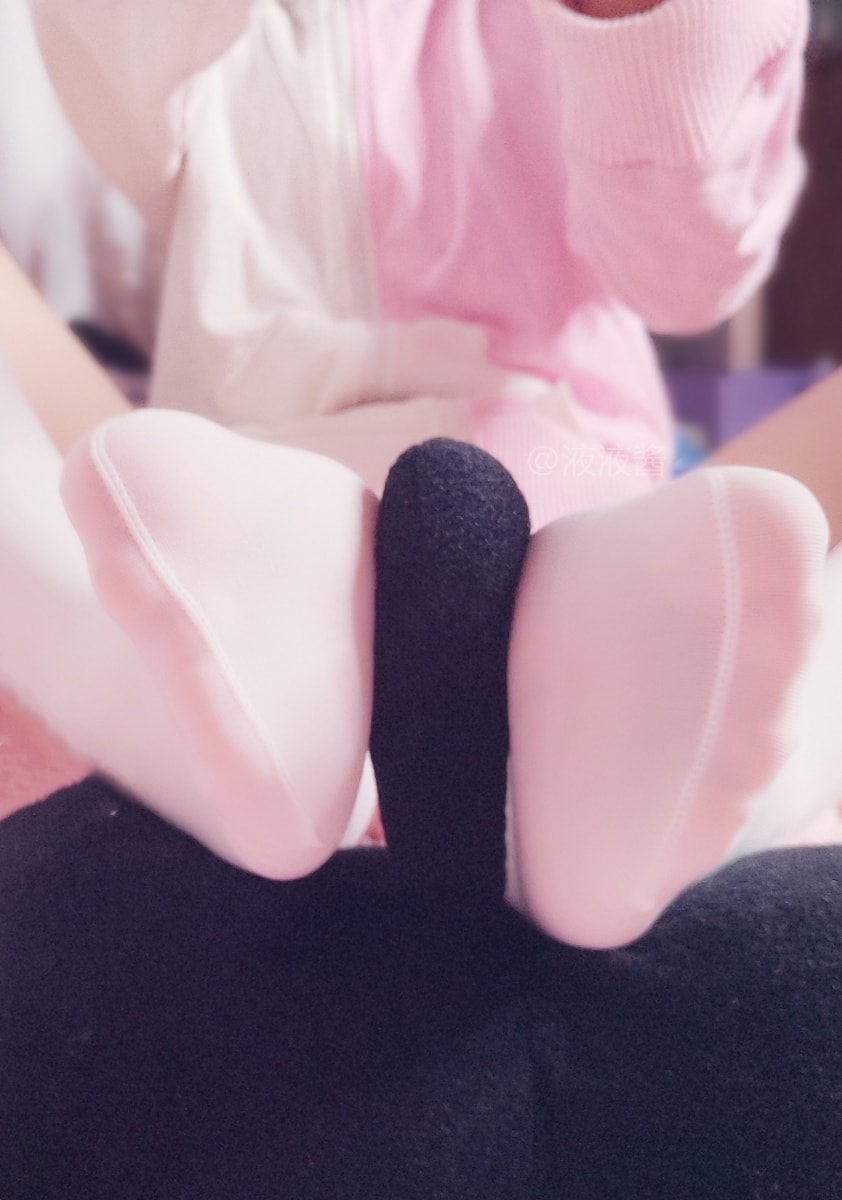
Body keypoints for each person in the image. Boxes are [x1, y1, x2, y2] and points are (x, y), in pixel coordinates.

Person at [0, 0, 837, 947]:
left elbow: (688, 275)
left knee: (684, 638)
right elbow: (116, 85)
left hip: (568, 491)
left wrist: (637, 24)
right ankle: (264, 750)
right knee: (170, 594)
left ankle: (613, 798)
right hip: (261, 501)